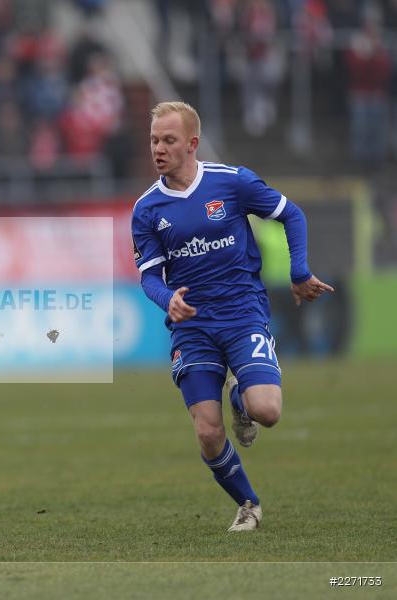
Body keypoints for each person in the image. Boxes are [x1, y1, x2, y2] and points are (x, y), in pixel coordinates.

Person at [131, 101, 333, 532]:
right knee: (207, 431)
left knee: (268, 411)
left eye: (168, 140)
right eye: (153, 140)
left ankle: (240, 398)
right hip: (193, 327)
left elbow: (290, 214)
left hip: (243, 314)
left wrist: (299, 271)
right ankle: (248, 504)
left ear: (192, 143)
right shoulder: (146, 209)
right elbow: (149, 277)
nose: (159, 149)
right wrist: (168, 299)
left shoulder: (232, 182)